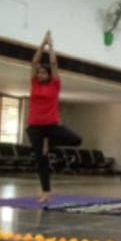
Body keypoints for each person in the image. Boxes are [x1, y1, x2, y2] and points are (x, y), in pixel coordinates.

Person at [27, 30, 82, 203]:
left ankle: (49, 143)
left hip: (51, 125)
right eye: (39, 73)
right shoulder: (34, 83)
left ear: (49, 75)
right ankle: (45, 191)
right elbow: (34, 62)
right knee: (41, 160)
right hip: (34, 126)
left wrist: (50, 46)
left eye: (44, 73)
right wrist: (42, 44)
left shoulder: (55, 85)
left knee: (76, 140)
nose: (40, 75)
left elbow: (53, 63)